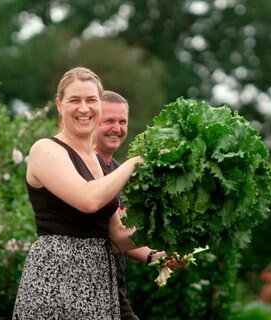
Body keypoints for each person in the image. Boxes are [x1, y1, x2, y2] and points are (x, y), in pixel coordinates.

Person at [12, 67, 143, 319]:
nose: (84, 108)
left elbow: (116, 236)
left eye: (91, 100)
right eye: (75, 100)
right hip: (55, 282)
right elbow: (87, 199)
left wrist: (169, 234)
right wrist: (134, 162)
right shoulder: (46, 149)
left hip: (98, 284)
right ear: (59, 105)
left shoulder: (97, 161)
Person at [96, 90, 169, 320]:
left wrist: (155, 256)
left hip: (114, 286)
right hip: (89, 284)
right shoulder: (84, 167)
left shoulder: (119, 170)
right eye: (108, 121)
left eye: (122, 121)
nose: (116, 128)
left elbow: (120, 234)